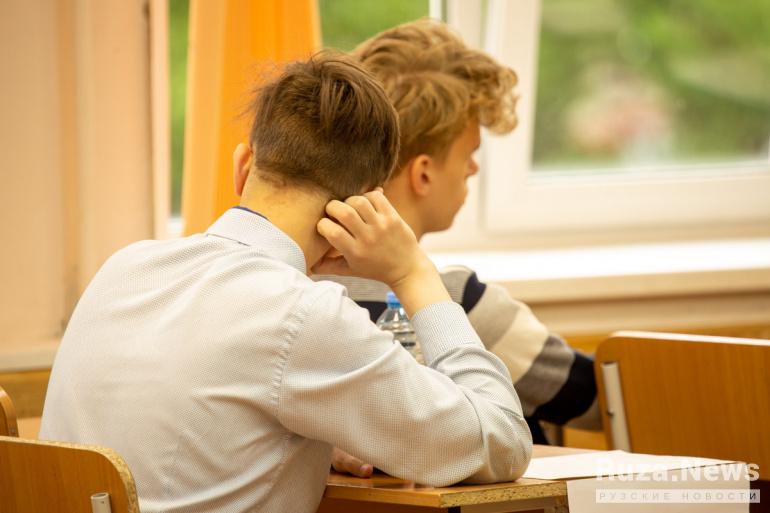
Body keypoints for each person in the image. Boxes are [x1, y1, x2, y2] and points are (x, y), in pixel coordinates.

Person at [39, 52, 531, 513]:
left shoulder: (124, 269)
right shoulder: (303, 315)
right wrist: (413, 272)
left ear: (243, 166)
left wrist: (328, 437)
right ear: (364, 207)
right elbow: (503, 440)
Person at [316, 21, 600, 476]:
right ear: (423, 173)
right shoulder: (459, 302)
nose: (473, 168)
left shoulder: (295, 287)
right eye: (469, 152)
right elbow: (597, 400)